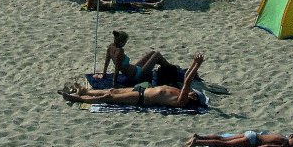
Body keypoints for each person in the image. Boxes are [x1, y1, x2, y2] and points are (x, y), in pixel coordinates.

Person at [60, 53, 206, 109]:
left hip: (141, 98)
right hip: (141, 89)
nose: (192, 94)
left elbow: (187, 82)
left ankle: (79, 99)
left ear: (192, 101)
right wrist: (194, 63)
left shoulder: (181, 100)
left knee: (108, 98)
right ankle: (86, 91)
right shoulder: (181, 92)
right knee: (112, 91)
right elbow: (186, 78)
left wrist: (197, 65)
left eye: (194, 96)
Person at [98, 30, 174, 86]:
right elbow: (117, 68)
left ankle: (168, 68)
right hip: (137, 75)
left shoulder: (110, 47)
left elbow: (106, 61)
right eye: (125, 42)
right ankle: (171, 70)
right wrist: (114, 82)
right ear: (122, 42)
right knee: (157, 54)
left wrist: (104, 74)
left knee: (152, 53)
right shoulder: (120, 51)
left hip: (135, 69)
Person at [186, 131, 293, 147]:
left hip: (252, 133)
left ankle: (199, 136)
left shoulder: (281, 136)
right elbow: (268, 145)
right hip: (252, 140)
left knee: (223, 138)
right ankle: (197, 142)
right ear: (292, 138)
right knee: (224, 144)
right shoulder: (283, 142)